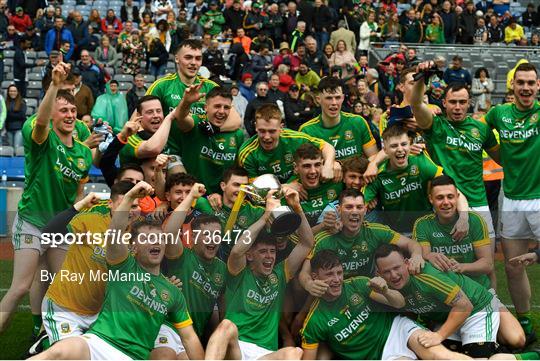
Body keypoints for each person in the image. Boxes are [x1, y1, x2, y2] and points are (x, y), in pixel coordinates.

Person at [30, 181, 205, 361]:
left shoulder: (138, 232)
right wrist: (78, 207)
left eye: (136, 205)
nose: (130, 210)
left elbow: (156, 251)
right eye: (124, 205)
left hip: (100, 313)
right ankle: (46, 342)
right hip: (66, 306)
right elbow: (50, 232)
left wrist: (164, 283)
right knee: (65, 354)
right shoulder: (91, 219)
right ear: (110, 204)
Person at [0, 62, 92, 333]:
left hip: (60, 226)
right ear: (52, 113)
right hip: (32, 221)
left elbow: (78, 192)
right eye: (63, 110)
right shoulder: (41, 134)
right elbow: (40, 123)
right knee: (19, 287)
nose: (70, 114)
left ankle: (41, 331)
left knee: (59, 282)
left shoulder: (83, 153)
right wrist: (55, 84)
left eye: (73, 110)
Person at [414, 175, 527, 349]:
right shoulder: (423, 224)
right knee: (442, 345)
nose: (446, 202)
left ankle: (488, 332)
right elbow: (423, 256)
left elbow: (487, 264)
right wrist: (428, 256)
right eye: (439, 197)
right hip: (448, 298)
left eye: (450, 197)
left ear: (457, 198)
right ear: (431, 200)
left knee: (517, 339)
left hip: (479, 294)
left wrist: (461, 267)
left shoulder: (474, 222)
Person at [301, 250, 468, 360]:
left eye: (339, 272)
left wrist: (386, 291)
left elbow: (400, 302)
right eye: (329, 274)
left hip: (396, 329)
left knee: (441, 356)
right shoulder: (314, 321)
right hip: (378, 357)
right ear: (315, 276)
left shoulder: (358, 284)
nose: (337, 280)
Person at [204, 187, 310, 360]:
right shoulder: (238, 273)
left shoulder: (280, 273)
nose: (270, 256)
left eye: (272, 251)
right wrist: (265, 216)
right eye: (263, 252)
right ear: (250, 255)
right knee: (225, 326)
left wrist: (297, 208)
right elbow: (238, 251)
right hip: (236, 348)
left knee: (294, 352)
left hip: (264, 354)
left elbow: (306, 244)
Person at [483, 62, 540, 340]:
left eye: (531, 82)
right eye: (521, 83)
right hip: (512, 198)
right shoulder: (498, 113)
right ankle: (526, 325)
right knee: (513, 265)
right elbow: (477, 130)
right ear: (512, 86)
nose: (526, 88)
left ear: (538, 86)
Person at [374, 244, 500, 358]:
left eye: (397, 267)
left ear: (407, 263)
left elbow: (464, 305)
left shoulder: (425, 276)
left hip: (477, 309)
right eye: (387, 271)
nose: (394, 275)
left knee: (478, 356)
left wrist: (439, 335)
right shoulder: (384, 289)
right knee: (442, 355)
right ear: (379, 274)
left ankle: (500, 351)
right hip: (447, 317)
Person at [146, 39, 242, 158]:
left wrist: (214, 128)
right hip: (171, 154)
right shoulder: (161, 86)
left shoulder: (211, 87)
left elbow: (236, 120)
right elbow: (139, 117)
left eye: (198, 58)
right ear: (177, 59)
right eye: (188, 57)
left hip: (202, 154)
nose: (193, 63)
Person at [173, 85, 245, 194]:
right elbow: (181, 118)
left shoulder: (237, 134)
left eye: (226, 107)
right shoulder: (196, 124)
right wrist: (186, 102)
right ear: (206, 107)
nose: (221, 111)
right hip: (193, 197)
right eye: (217, 106)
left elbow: (236, 172)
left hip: (222, 199)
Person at [238, 103, 336, 184]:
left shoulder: (295, 139)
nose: (267, 137)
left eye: (272, 131)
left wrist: (329, 165)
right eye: (262, 131)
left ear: (281, 127)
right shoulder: (247, 154)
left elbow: (327, 147)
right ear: (255, 126)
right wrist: (287, 187)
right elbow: (256, 190)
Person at [299, 76, 378, 162]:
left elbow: (374, 157)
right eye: (329, 98)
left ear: (343, 98)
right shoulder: (306, 131)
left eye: (337, 97)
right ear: (319, 100)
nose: (334, 103)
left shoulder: (358, 122)